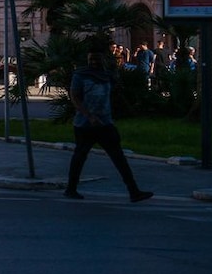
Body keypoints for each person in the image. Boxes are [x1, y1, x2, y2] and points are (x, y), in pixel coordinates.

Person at [65, 47, 152, 202]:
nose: (94, 62)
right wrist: (89, 116)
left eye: (97, 58)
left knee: (119, 157)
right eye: (91, 59)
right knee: (79, 157)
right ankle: (71, 189)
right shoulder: (80, 76)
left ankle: (134, 191)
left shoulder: (107, 76)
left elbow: (115, 95)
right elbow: (75, 97)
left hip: (105, 123)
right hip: (85, 125)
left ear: (103, 59)